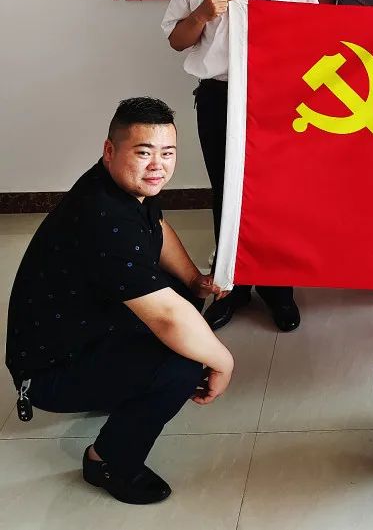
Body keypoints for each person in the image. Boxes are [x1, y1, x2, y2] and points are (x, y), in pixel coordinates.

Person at [5, 98, 234, 504]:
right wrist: (223, 362)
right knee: (181, 365)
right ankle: (108, 461)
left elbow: (156, 227)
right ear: (109, 150)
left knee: (182, 298)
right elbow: (167, 318)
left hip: (84, 329)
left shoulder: (120, 186)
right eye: (144, 152)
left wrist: (193, 279)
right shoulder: (104, 218)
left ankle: (119, 388)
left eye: (167, 153)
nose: (157, 165)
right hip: (47, 373)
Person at [163, 0, 318, 332]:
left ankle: (278, 289)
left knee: (276, 194)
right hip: (219, 96)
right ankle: (231, 285)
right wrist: (201, 14)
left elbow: (311, 38)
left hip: (276, 99)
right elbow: (176, 40)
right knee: (226, 191)